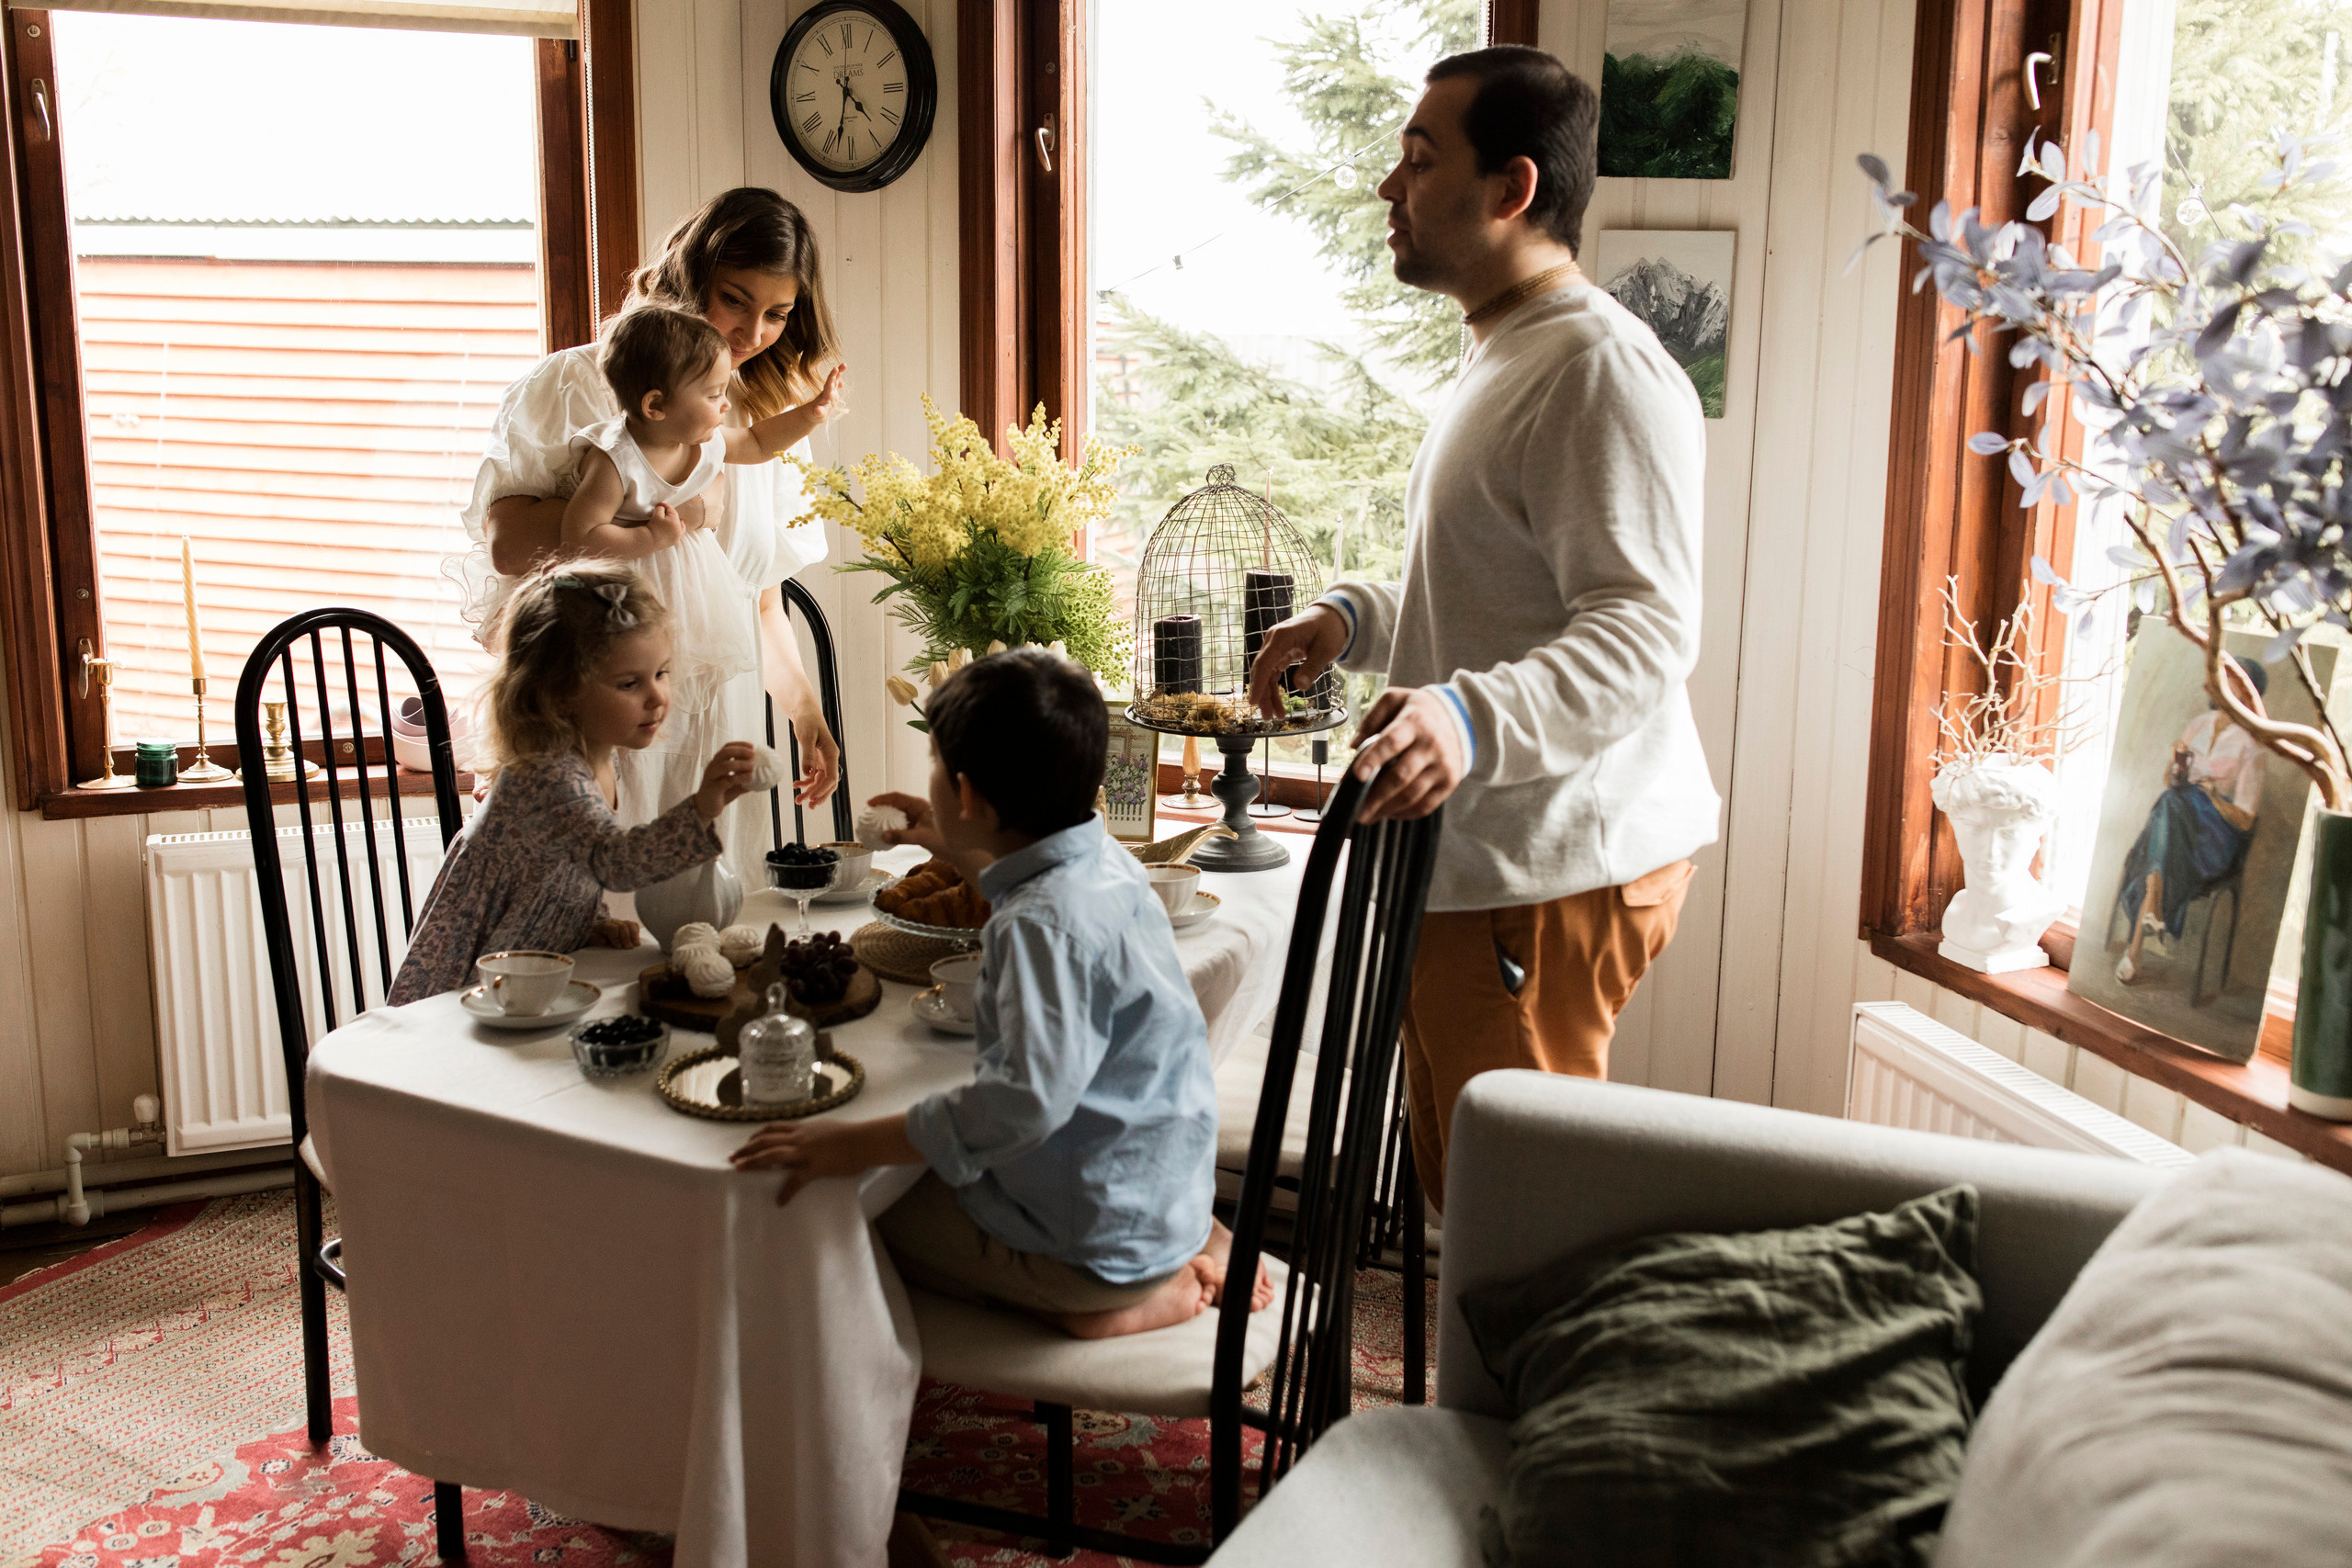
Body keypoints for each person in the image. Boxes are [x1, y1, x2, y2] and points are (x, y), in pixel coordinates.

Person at [1246, 46, 1720, 1209]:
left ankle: (1529, 1401)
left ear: (1511, 190)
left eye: (1418, 158)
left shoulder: (1596, 367)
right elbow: (1503, 590)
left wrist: (1467, 716)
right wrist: (1351, 619)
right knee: (1472, 1201)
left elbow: (1643, 628)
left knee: (1521, 1232)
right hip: (1494, 858)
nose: (1386, 187)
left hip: (1544, 868)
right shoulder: (1508, 353)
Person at [730, 649, 1270, 1338]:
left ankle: (1102, 1306)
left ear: (969, 798)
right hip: (1166, 1191)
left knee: (856, 1209)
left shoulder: (1036, 927)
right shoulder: (1105, 861)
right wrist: (959, 849)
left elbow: (1021, 1104)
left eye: (934, 768)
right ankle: (1178, 1248)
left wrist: (853, 1147)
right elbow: (1037, 894)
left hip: (1093, 1243)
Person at [459, 187, 843, 890]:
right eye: (735, 299)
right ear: (688, 275)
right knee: (605, 918)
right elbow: (510, 546)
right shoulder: (576, 383)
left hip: (717, 716)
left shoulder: (757, 425)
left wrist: (806, 712)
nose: (753, 331)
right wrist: (653, 505)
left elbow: (757, 606)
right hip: (601, 715)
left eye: (778, 314)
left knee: (712, 935)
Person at [387, 561, 755, 1006]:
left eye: (661, 673)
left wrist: (588, 920)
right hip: (473, 982)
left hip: (530, 967)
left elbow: (564, 862)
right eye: (629, 683)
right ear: (558, 695)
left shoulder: (597, 756)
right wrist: (702, 806)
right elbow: (613, 861)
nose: (657, 696)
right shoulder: (549, 773)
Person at [562, 304, 844, 718]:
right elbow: (579, 536)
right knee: (633, 699)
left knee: (691, 701)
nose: (726, 405)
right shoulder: (616, 461)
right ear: (656, 405)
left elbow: (758, 442)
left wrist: (811, 414)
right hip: (625, 604)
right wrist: (649, 538)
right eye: (714, 395)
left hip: (690, 600)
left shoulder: (703, 440)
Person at [2113, 657, 2268, 986]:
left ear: (2245, 689)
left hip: (2212, 840)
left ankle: (2143, 931)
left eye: (2227, 678)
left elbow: (2244, 820)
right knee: (2171, 802)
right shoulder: (2199, 724)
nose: (2213, 682)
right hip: (2177, 827)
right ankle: (2143, 935)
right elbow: (2171, 783)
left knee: (2169, 808)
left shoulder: (2251, 746)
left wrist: (2212, 796)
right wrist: (2174, 764)